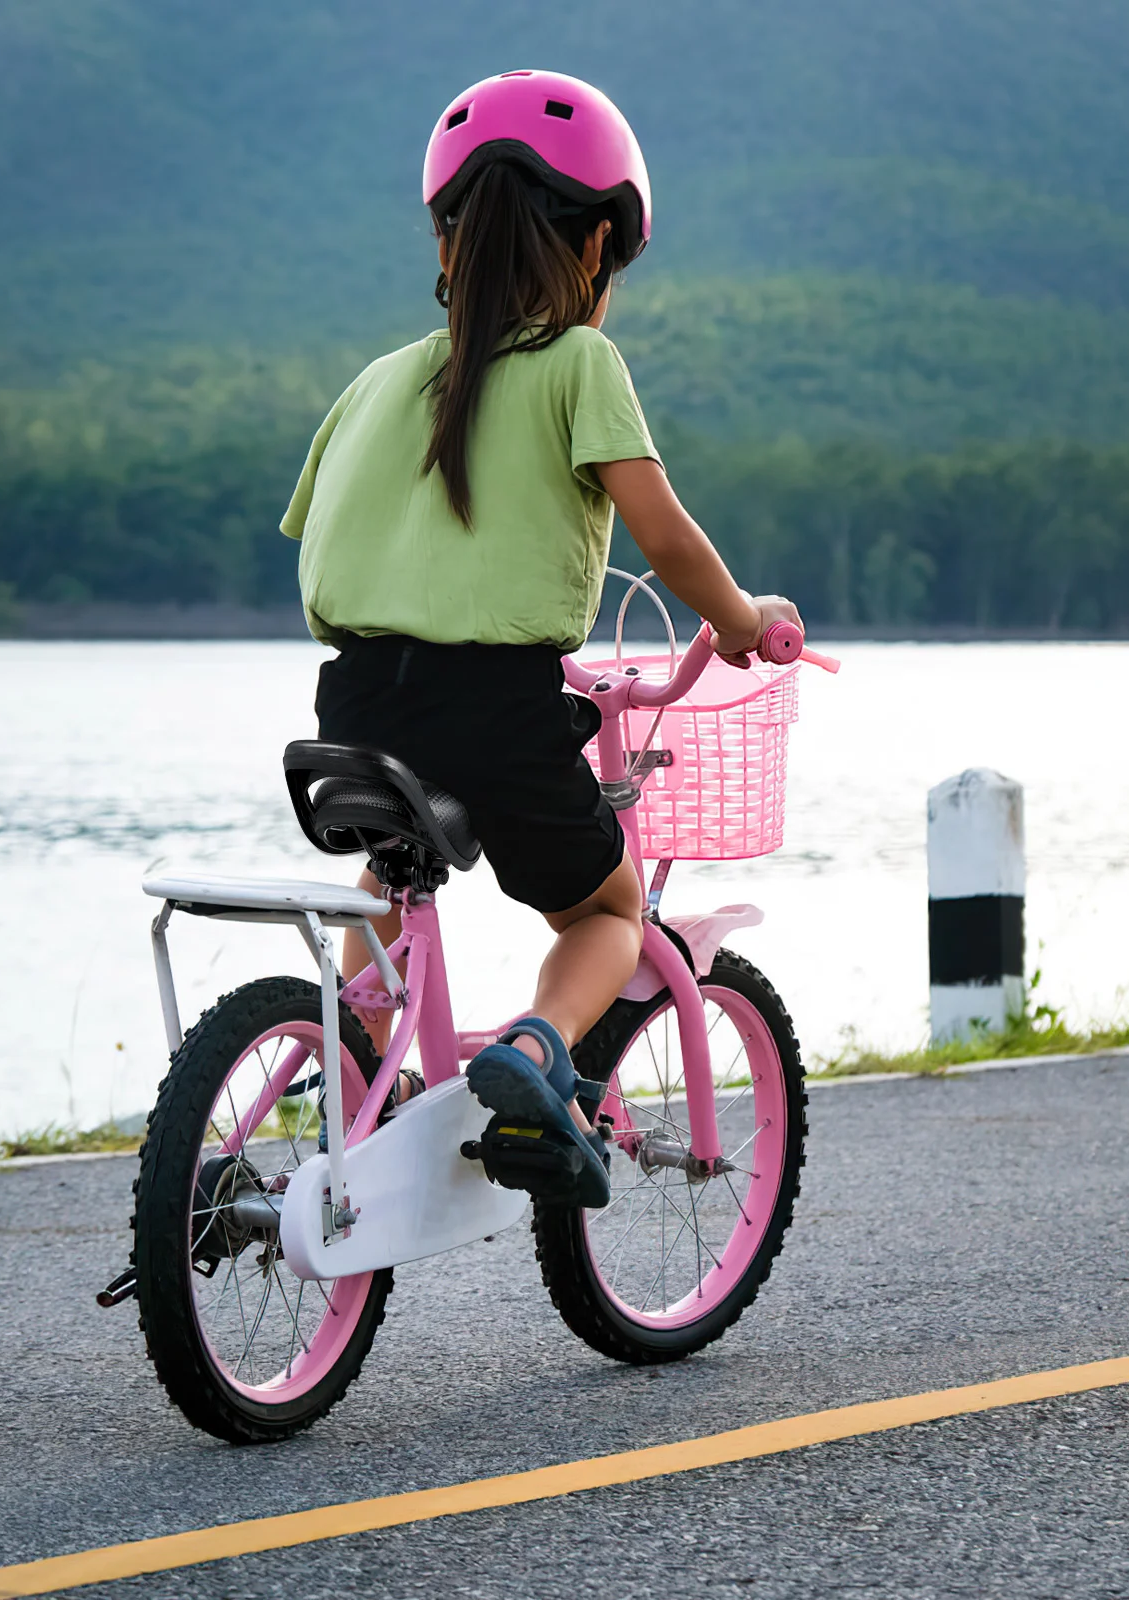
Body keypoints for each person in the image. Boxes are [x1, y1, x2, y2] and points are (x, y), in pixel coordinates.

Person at [281, 69, 801, 1208]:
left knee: (394, 875)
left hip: (352, 708)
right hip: (495, 714)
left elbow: (320, 543)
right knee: (607, 911)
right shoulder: (578, 364)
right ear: (600, 245)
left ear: (444, 238)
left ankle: (357, 1056)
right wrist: (743, 621)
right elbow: (661, 536)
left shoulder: (373, 382)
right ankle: (534, 1048)